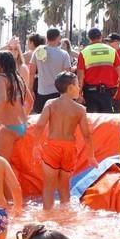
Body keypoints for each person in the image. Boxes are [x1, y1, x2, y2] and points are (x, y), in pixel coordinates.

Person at [30, 72, 97, 211]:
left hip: (52, 147)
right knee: (64, 185)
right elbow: (87, 135)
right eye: (78, 84)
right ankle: (65, 216)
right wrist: (91, 156)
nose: (79, 88)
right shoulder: (79, 109)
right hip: (69, 149)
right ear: (71, 87)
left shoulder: (50, 104)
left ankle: (47, 215)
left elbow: (40, 126)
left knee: (48, 186)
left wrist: (36, 145)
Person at [0, 52, 32, 163]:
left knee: (3, 166)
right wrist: (24, 116)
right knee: (11, 165)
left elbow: (2, 100)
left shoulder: (0, 78)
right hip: (22, 126)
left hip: (8, 128)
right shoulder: (18, 78)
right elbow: (30, 101)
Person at [76, 28, 120, 113]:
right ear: (101, 37)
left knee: (92, 122)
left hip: (90, 93)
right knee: (106, 120)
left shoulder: (84, 53)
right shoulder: (112, 51)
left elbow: (80, 77)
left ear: (89, 38)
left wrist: (79, 94)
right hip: (107, 93)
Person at [31, 28, 73, 113]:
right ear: (59, 38)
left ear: (47, 37)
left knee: (42, 119)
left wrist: (30, 89)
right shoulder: (64, 54)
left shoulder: (38, 51)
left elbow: (31, 72)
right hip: (58, 93)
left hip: (41, 92)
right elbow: (67, 76)